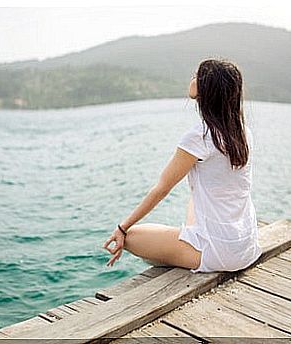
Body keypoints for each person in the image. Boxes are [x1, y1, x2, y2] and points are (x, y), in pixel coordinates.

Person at [102, 58, 263, 273]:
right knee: (193, 202)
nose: (192, 78)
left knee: (130, 238)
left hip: (221, 254)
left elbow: (162, 188)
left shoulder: (199, 137)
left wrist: (122, 227)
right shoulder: (242, 133)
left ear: (207, 88)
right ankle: (186, 244)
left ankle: (181, 257)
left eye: (197, 75)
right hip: (246, 245)